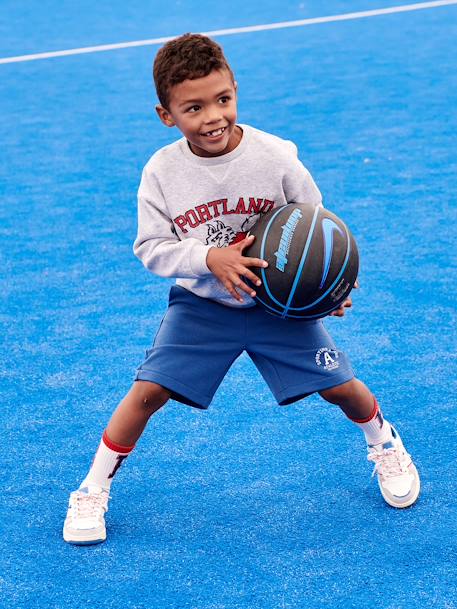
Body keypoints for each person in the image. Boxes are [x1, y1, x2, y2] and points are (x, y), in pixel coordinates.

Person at [63, 33, 420, 545]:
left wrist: (331, 287)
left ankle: (384, 442)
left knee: (340, 386)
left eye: (222, 100)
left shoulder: (276, 156)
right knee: (146, 393)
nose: (212, 117)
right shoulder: (161, 173)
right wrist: (209, 257)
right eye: (193, 107)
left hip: (277, 307)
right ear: (166, 115)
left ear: (235, 91)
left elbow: (318, 228)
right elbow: (150, 247)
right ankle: (92, 489)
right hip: (204, 307)